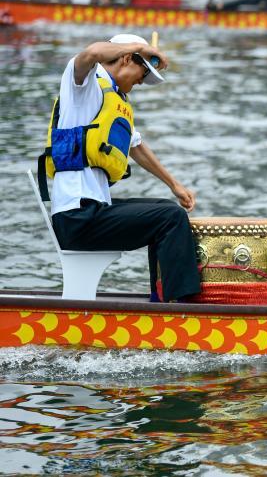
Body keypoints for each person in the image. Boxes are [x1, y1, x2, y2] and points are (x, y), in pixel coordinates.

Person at [39, 34, 201, 303]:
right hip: (77, 217)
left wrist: (174, 185)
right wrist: (141, 47)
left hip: (91, 212)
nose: (140, 82)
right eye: (141, 72)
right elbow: (90, 52)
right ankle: (182, 308)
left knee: (164, 211)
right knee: (169, 217)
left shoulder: (115, 100)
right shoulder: (84, 88)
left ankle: (161, 299)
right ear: (126, 58)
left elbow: (136, 146)